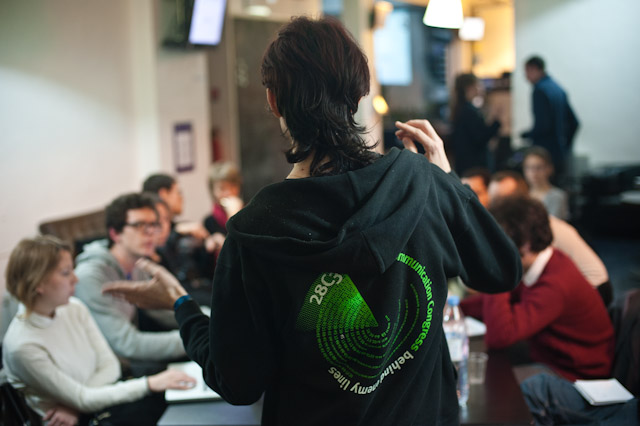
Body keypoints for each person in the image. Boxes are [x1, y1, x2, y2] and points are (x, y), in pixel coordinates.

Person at [103, 16, 522, 426]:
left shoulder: (254, 230)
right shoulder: (421, 182)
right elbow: (501, 269)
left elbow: (238, 383)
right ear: (359, 94)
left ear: (273, 101)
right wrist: (447, 179)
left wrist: (183, 308)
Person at [2, 236, 195, 426]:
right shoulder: (22, 346)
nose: (75, 279)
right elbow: (83, 398)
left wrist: (75, 403)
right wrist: (149, 383)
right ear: (38, 283)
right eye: (66, 272)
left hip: (102, 405)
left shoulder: (74, 308)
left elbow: (110, 367)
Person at [461, 196, 614, 381]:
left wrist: (497, 271)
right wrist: (457, 308)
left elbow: (499, 337)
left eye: (498, 242)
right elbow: (506, 303)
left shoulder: (555, 284)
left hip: (578, 375)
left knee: (495, 382)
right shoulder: (544, 263)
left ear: (525, 244)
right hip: (548, 357)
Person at [74, 193, 186, 364]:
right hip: (107, 366)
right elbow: (128, 344)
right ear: (115, 234)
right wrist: (199, 336)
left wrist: (208, 318)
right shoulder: (90, 276)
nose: (150, 233)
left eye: (153, 224)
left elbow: (162, 309)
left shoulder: (137, 264)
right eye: (140, 225)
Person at [488, 170, 612, 306]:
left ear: (522, 199)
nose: (495, 206)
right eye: (493, 199)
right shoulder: (527, 222)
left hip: (594, 286)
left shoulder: (535, 225)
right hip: (571, 284)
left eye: (502, 200)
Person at [521, 56, 579, 183]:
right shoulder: (558, 89)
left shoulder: (539, 90)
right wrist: (565, 147)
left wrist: (527, 135)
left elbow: (544, 125)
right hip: (559, 154)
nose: (526, 77)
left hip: (544, 156)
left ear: (534, 69)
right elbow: (574, 123)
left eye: (526, 72)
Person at [451, 73, 501, 176]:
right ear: (469, 88)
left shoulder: (462, 109)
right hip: (474, 165)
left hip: (467, 163)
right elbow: (481, 138)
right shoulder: (468, 111)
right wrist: (496, 122)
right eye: (478, 84)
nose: (481, 88)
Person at [523, 146, 569, 220]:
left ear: (549, 169)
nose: (534, 172)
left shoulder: (557, 196)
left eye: (538, 167)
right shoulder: (521, 195)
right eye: (529, 167)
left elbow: (552, 223)